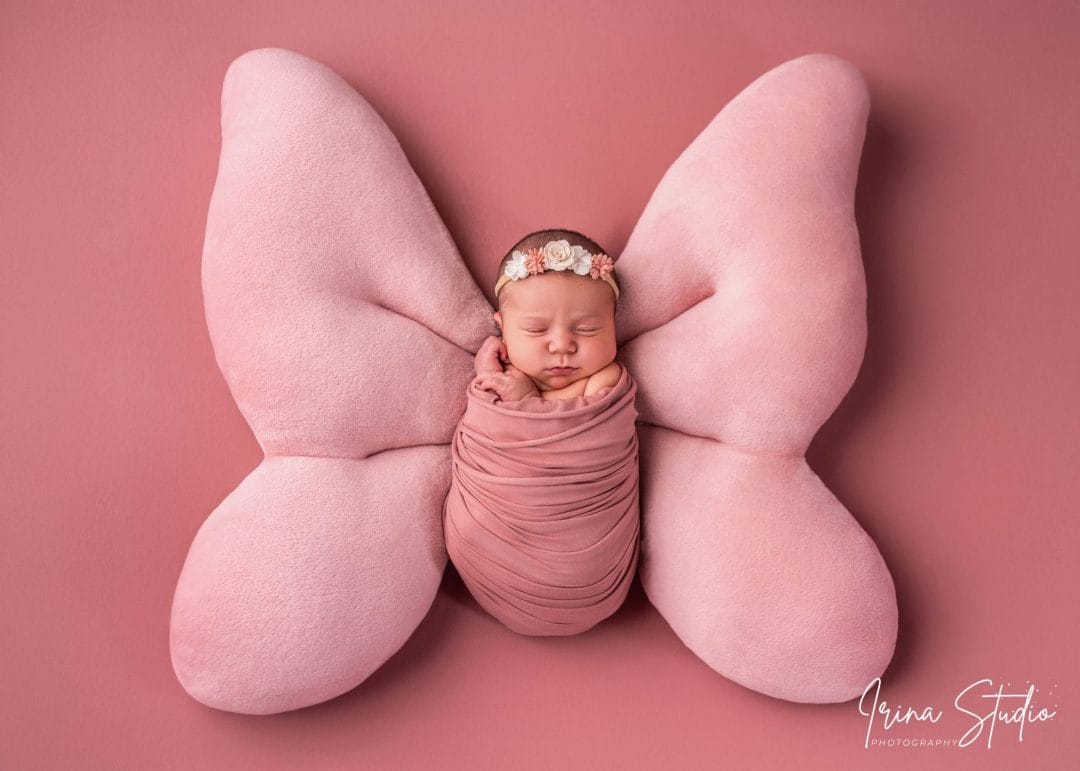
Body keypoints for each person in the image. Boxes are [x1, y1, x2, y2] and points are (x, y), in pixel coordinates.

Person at [472, 229, 624, 402]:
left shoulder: (605, 378)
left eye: (586, 329)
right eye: (537, 329)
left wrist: (527, 398)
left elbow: (575, 424)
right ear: (503, 329)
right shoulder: (503, 370)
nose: (561, 346)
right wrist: (488, 376)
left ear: (613, 323)